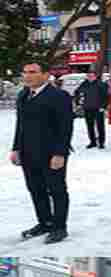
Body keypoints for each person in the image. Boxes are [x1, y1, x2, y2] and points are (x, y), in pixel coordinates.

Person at [10, 61, 74, 245]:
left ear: (46, 75)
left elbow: (65, 127)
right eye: (25, 72)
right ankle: (45, 222)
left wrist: (60, 153)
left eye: (32, 72)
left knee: (57, 190)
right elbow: (20, 125)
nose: (27, 76)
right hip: (28, 152)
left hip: (52, 153)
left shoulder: (59, 96)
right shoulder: (23, 95)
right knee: (35, 188)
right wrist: (16, 148)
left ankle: (59, 227)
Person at [74, 71, 109, 149]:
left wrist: (104, 106)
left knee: (100, 126)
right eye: (89, 76)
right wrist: (78, 103)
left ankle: (101, 142)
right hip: (87, 108)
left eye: (92, 76)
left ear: (95, 76)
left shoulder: (101, 84)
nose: (90, 77)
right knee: (90, 126)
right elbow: (77, 93)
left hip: (98, 108)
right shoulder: (84, 84)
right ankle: (92, 141)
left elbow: (106, 97)